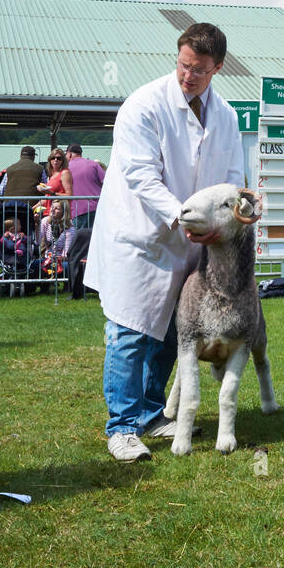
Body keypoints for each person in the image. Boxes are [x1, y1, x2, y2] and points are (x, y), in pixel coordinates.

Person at [85, 23, 245, 463]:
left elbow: (232, 179)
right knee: (129, 333)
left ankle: (152, 412)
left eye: (198, 70)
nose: (187, 76)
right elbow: (140, 175)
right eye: (182, 65)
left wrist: (230, 219)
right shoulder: (143, 105)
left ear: (218, 67)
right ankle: (121, 426)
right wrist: (180, 215)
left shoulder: (226, 116)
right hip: (141, 239)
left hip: (193, 241)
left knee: (172, 332)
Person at [65, 144, 106, 229]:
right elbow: (106, 183)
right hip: (97, 208)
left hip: (78, 210)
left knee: (80, 240)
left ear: (69, 154)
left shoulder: (66, 168)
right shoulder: (93, 164)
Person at [38, 147, 74, 216]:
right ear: (50, 160)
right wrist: (32, 208)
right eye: (53, 158)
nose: (55, 160)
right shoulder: (52, 174)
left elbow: (70, 195)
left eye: (59, 158)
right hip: (50, 212)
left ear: (63, 160)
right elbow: (46, 197)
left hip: (60, 214)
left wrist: (52, 193)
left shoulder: (65, 173)